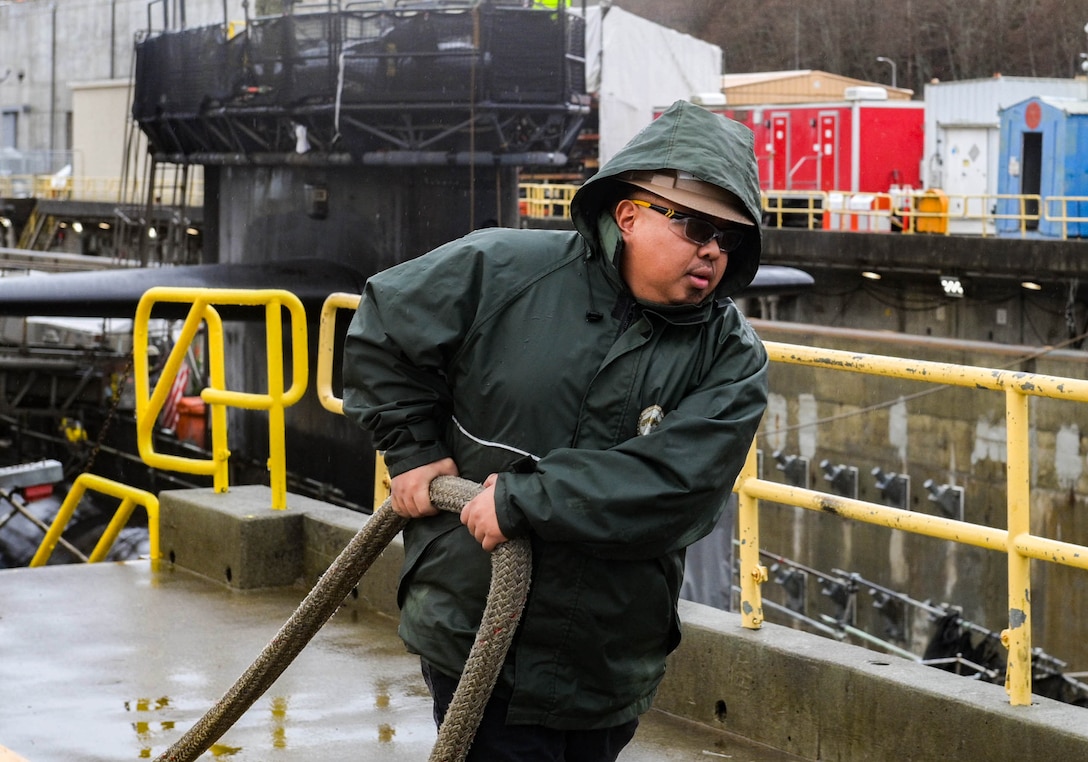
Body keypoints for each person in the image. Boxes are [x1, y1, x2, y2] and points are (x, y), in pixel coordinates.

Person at [342, 99, 769, 761]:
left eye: (730, 237)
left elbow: (682, 482)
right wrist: (413, 450)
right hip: (479, 630)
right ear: (630, 215)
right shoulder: (500, 271)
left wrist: (522, 500)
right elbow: (384, 330)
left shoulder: (730, 356)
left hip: (608, 655)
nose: (712, 250)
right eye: (695, 226)